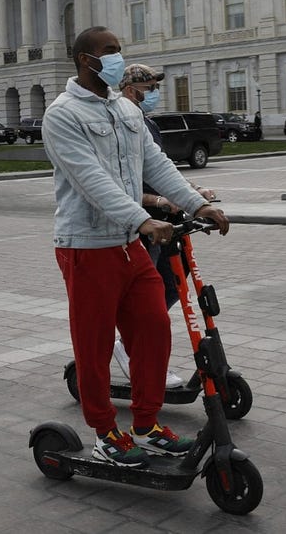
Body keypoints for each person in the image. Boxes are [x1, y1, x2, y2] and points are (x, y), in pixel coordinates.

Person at [42, 26, 230, 468]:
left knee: (152, 333)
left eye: (119, 50)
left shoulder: (124, 111)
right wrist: (143, 220)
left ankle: (145, 427)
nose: (117, 58)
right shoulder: (63, 114)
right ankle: (106, 434)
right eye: (108, 51)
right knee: (94, 345)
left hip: (130, 245)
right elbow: (90, 179)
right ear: (84, 59)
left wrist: (197, 205)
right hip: (87, 246)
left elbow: (156, 163)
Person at [116, 63, 216, 389]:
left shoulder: (147, 124)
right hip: (141, 226)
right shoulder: (118, 124)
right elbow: (118, 185)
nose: (156, 94)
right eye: (151, 88)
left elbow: (162, 168)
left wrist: (193, 194)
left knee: (173, 287)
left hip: (168, 224)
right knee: (149, 298)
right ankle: (136, 353)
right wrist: (158, 203)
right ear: (132, 90)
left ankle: (133, 342)